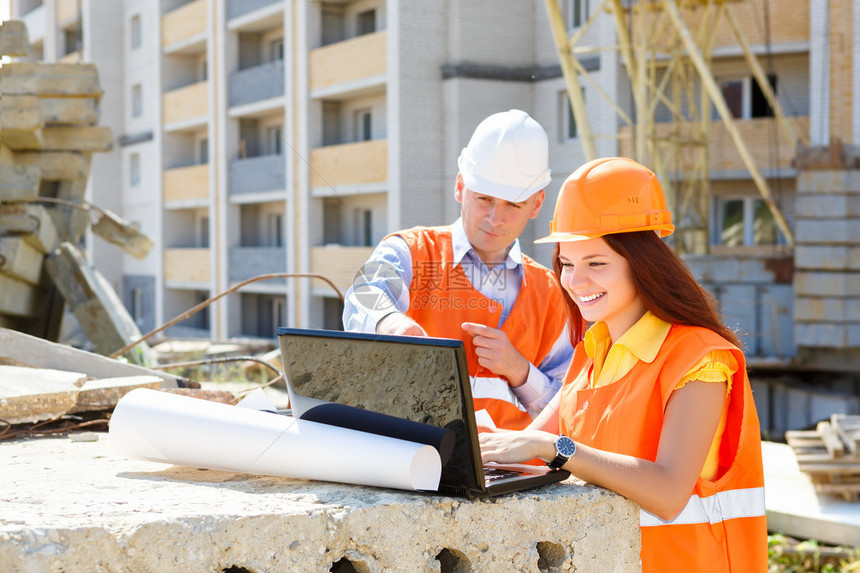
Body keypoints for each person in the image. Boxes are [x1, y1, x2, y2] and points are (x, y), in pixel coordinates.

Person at [479, 157, 767, 571]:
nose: (576, 282)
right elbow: (525, 450)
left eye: (596, 263)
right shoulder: (592, 352)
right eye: (566, 263)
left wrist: (552, 447)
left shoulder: (700, 358)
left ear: (643, 264)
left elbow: (668, 493)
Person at [343, 109, 574, 430]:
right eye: (484, 199)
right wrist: (391, 323)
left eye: (514, 204)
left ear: (536, 205)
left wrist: (520, 371)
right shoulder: (411, 251)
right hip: (414, 460)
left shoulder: (551, 294)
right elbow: (364, 294)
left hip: (517, 474)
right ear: (460, 186)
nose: (495, 218)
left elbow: (572, 411)